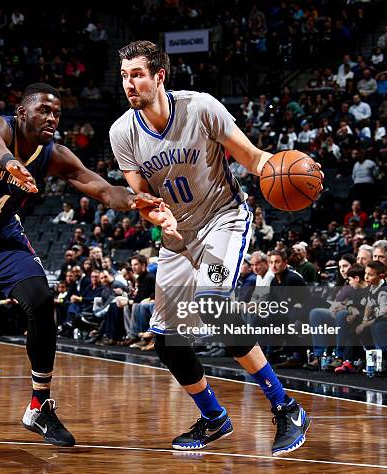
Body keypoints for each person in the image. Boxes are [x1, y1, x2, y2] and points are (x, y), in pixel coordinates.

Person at [0, 83, 175, 446]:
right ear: (23, 113)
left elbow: (103, 189)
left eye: (56, 113)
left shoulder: (53, 154)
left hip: (1, 236)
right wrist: (10, 163)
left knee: (41, 300)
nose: (52, 118)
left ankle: (40, 405)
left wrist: (136, 201)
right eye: (44, 110)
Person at [109, 41, 318, 456]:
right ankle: (213, 417)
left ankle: (286, 407)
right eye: (124, 76)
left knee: (213, 305)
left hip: (222, 218)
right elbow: (142, 197)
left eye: (137, 74)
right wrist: (156, 216)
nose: (130, 84)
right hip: (176, 236)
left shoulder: (201, 107)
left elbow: (254, 158)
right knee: (167, 341)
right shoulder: (122, 132)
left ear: (159, 76)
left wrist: (288, 167)